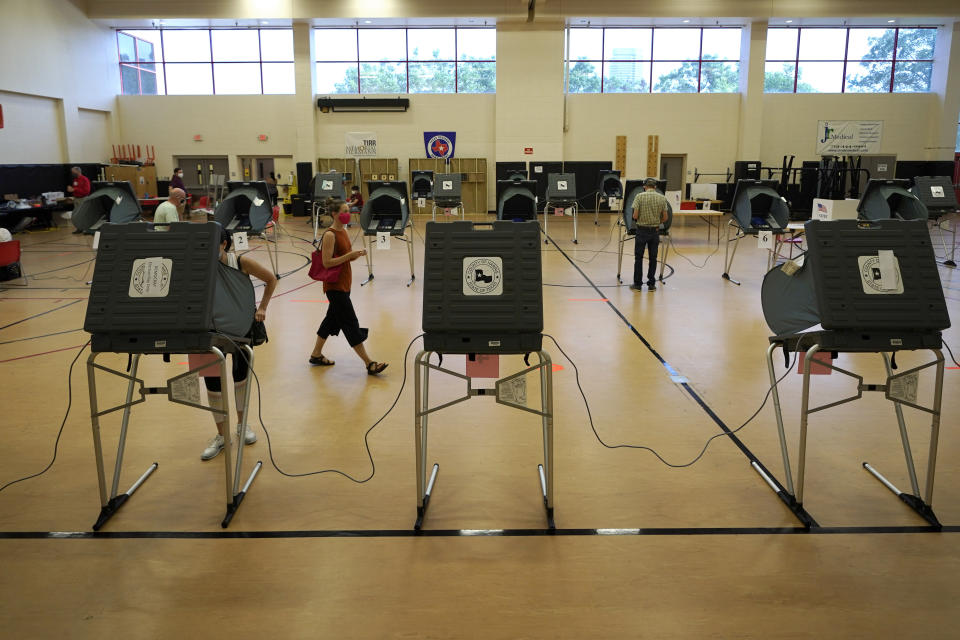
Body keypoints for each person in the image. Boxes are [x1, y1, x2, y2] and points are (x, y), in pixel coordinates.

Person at [202, 225, 278, 461]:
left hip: (240, 327)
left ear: (224, 244)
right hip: (208, 329)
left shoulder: (241, 262)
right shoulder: (200, 265)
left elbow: (270, 279)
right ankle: (221, 435)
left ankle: (242, 424)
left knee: (240, 377)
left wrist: (263, 307)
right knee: (212, 382)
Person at [309, 201, 388, 375]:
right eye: (344, 211)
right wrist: (348, 256)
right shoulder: (330, 235)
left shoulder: (343, 231)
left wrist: (354, 255)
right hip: (334, 287)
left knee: (331, 320)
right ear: (334, 214)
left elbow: (345, 256)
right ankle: (369, 363)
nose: (348, 214)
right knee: (350, 323)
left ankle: (316, 354)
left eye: (348, 211)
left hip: (344, 284)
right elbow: (327, 262)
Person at [630, 178, 669, 292]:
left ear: (645, 186)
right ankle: (651, 284)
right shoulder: (662, 198)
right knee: (653, 258)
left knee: (639, 257)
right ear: (655, 187)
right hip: (655, 231)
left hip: (641, 231)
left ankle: (637, 285)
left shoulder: (639, 196)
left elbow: (635, 216)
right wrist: (657, 222)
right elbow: (665, 217)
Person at [66, 167, 91, 231]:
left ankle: (86, 228)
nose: (72, 173)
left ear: (78, 171)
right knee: (77, 215)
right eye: (72, 172)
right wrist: (71, 189)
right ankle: (79, 228)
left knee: (84, 214)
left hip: (83, 199)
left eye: (73, 172)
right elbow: (75, 188)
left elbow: (87, 191)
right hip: (76, 199)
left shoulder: (85, 179)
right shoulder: (75, 180)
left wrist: (74, 189)